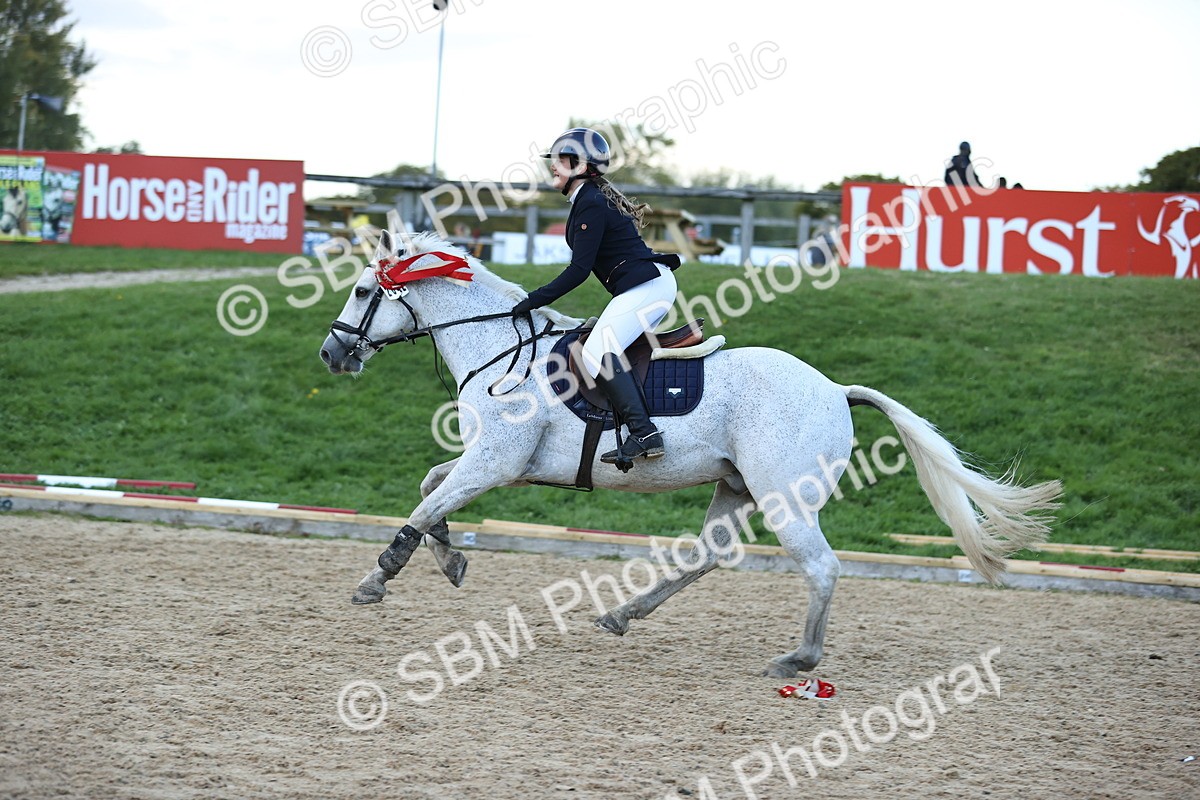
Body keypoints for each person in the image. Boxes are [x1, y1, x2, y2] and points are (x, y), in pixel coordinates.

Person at [511, 127, 681, 467]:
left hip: (648, 286)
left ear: (578, 164)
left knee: (597, 351)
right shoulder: (585, 200)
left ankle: (644, 433)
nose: (553, 168)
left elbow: (578, 271)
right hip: (644, 285)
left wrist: (531, 300)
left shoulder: (590, 202)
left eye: (559, 161)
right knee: (598, 346)